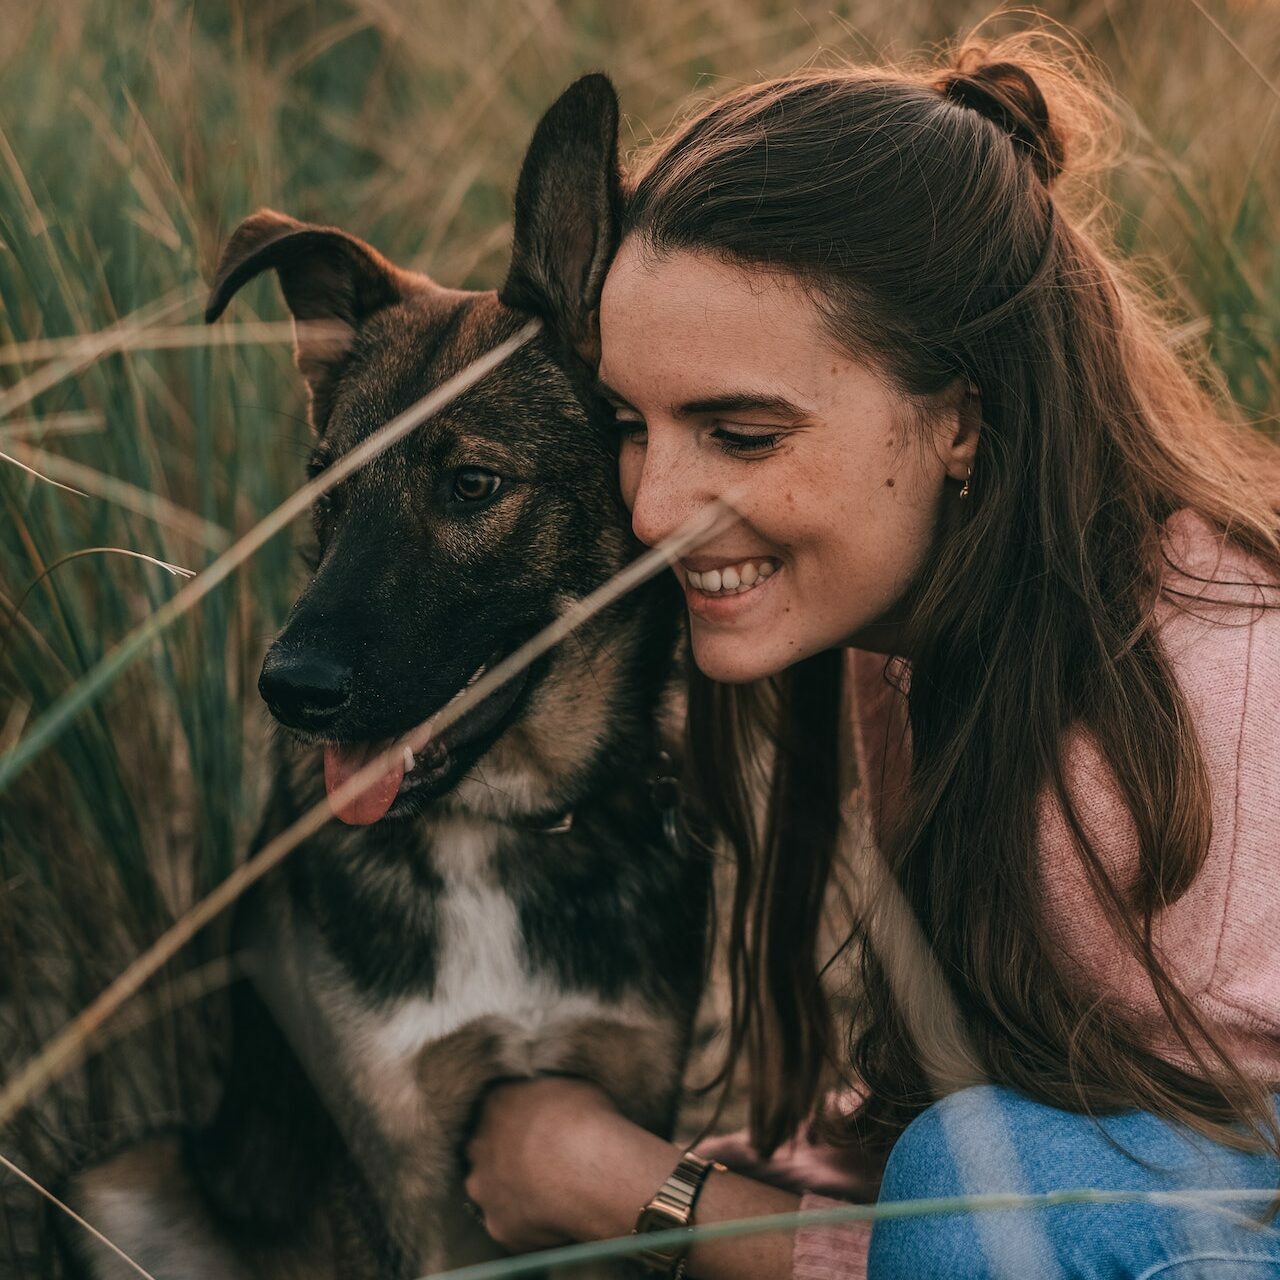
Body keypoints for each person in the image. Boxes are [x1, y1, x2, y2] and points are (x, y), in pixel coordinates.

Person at [464, 27, 1280, 1279]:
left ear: (959, 417)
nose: (651, 508)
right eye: (632, 424)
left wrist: (640, 1190)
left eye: (737, 433)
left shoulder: (1193, 713)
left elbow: (1006, 1216)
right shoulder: (924, 641)